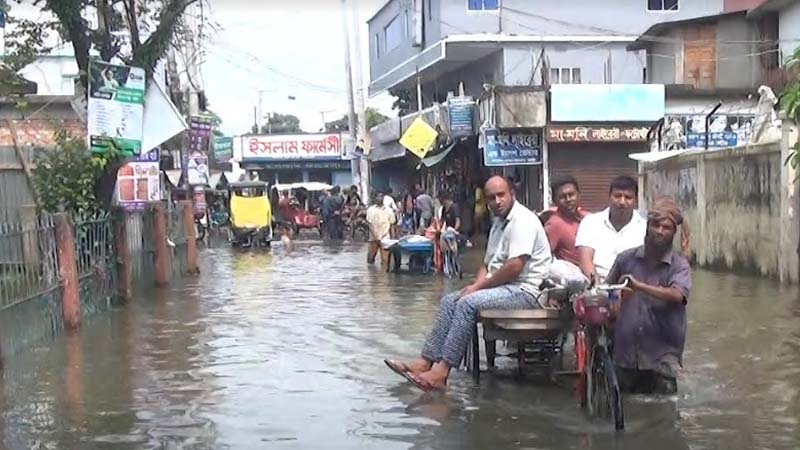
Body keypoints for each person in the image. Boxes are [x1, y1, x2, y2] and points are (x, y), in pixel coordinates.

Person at [384, 176, 552, 392]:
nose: (497, 201)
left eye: (501, 195)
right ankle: (426, 361)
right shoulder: (499, 224)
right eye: (491, 198)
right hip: (505, 288)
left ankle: (441, 373)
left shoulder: (523, 221)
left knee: (467, 303)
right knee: (449, 300)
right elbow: (487, 264)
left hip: (527, 292)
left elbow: (514, 267)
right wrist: (476, 284)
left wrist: (477, 288)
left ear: (512, 194)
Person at [605, 197, 692, 395]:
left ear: (673, 233)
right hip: (627, 354)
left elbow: (677, 295)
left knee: (663, 413)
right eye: (655, 225)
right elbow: (609, 287)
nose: (659, 231)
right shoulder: (626, 258)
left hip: (662, 357)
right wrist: (613, 298)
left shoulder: (679, 265)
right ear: (647, 226)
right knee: (625, 408)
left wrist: (639, 286)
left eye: (666, 227)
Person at [575, 176, 646, 281]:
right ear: (609, 196)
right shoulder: (590, 222)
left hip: (631, 286)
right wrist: (598, 287)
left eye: (628, 197)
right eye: (617, 196)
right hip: (596, 283)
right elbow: (585, 260)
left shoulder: (644, 227)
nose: (622, 202)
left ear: (636, 200)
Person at [543, 175, 589, 267]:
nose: (568, 200)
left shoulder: (588, 218)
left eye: (571, 195)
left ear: (578, 195)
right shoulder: (554, 225)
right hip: (577, 277)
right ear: (554, 200)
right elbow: (543, 257)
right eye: (563, 197)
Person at [366, 193, 395, 267]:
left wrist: (393, 239)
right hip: (373, 237)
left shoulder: (389, 210)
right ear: (375, 198)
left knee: (385, 261)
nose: (379, 198)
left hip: (385, 238)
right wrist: (375, 235)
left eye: (381, 197)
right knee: (370, 260)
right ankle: (372, 275)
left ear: (383, 198)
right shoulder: (370, 210)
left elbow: (392, 225)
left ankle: (384, 276)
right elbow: (369, 224)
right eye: (378, 196)